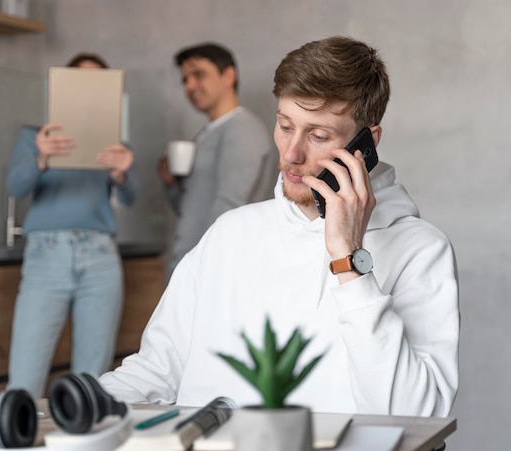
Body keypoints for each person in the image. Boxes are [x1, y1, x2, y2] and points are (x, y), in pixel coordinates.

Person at [99, 36, 460, 417]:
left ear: (366, 145)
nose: (290, 154)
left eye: (318, 135)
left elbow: (416, 415)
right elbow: (156, 368)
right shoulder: (230, 232)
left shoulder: (421, 249)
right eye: (285, 126)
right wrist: (71, 410)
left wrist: (348, 259)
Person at [6, 53, 137, 399]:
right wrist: (41, 158)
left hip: (100, 257)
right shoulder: (36, 137)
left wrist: (121, 173)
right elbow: (16, 187)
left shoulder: (115, 145)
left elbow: (131, 197)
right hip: (46, 256)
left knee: (91, 381)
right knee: (25, 375)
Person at [157, 42, 277, 278]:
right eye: (185, 80)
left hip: (218, 269)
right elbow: (190, 209)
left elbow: (230, 206)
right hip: (197, 265)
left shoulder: (242, 129)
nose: (190, 86)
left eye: (198, 75)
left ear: (228, 75)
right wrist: (171, 184)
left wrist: (200, 269)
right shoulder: (206, 133)